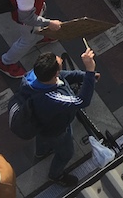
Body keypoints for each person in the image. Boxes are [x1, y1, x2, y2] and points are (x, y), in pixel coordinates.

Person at [20, 49, 97, 187]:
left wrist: (85, 76)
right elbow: (81, 101)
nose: (59, 58)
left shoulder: (37, 76)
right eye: (57, 60)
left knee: (43, 138)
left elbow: (64, 75)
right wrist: (90, 71)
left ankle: (41, 152)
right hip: (57, 130)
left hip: (42, 124)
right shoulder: (51, 97)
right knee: (66, 153)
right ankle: (56, 175)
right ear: (55, 73)